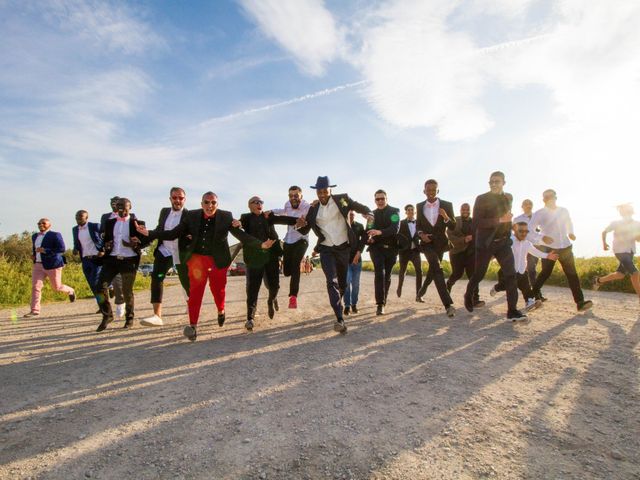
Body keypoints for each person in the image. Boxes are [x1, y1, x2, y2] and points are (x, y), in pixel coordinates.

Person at [136, 192, 272, 341]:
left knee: (217, 290)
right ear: (201, 204)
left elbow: (240, 235)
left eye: (213, 202)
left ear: (217, 204)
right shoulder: (192, 216)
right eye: (206, 202)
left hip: (217, 261)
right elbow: (173, 233)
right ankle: (192, 326)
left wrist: (260, 244)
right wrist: (149, 233)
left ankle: (221, 310)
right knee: (195, 293)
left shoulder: (225, 216)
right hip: (197, 260)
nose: (210, 206)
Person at [297, 176, 372, 333]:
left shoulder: (342, 200)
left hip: (343, 247)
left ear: (330, 190)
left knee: (342, 284)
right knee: (331, 281)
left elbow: (357, 206)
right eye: (319, 191)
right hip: (326, 249)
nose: (322, 194)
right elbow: (305, 229)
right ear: (316, 192)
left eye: (325, 190)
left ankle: (341, 304)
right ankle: (339, 318)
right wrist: (299, 225)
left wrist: (368, 212)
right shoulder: (312, 210)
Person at [464, 171, 528, 322]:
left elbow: (506, 218)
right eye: (491, 181)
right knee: (479, 274)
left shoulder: (508, 197)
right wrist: (499, 220)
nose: (494, 184)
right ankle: (468, 294)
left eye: (497, 181)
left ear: (504, 183)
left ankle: (512, 311)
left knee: (511, 275)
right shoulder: (481, 199)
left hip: (503, 243)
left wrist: (511, 227)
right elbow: (477, 222)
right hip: (485, 243)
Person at [240, 195, 299, 330]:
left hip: (271, 257)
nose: (258, 204)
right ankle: (250, 318)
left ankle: (271, 300)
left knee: (274, 286)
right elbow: (237, 225)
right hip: (254, 259)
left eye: (261, 202)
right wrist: (236, 223)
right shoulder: (246, 218)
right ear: (249, 205)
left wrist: (298, 220)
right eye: (255, 202)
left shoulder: (268, 216)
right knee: (252, 289)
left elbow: (283, 219)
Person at [530, 189, 593, 312]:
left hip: (566, 247)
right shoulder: (539, 213)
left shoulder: (563, 210)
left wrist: (571, 232)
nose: (549, 199)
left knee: (572, 275)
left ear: (555, 197)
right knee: (546, 273)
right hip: (549, 248)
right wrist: (541, 237)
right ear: (543, 200)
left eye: (551, 196)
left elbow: (569, 222)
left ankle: (580, 302)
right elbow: (529, 229)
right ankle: (533, 293)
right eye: (546, 197)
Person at [140, 188, 190, 327]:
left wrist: (149, 233)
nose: (177, 200)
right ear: (170, 199)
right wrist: (144, 237)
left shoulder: (189, 215)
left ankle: (191, 306)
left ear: (184, 199)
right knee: (156, 278)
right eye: (175, 198)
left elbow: (176, 234)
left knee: (186, 282)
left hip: (181, 252)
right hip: (165, 251)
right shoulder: (164, 212)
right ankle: (157, 316)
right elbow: (159, 230)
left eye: (180, 198)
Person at [96, 198, 147, 332]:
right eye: (118, 206)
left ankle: (129, 318)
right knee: (99, 288)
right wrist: (107, 245)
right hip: (111, 259)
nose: (120, 209)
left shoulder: (137, 223)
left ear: (130, 207)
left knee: (127, 291)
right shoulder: (109, 223)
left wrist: (135, 244)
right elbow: (105, 240)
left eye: (123, 206)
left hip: (129, 260)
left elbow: (146, 241)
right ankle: (107, 315)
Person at [490, 221, 559, 311]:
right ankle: (496, 288)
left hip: (522, 271)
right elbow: (498, 250)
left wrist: (547, 256)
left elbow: (535, 251)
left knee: (526, 287)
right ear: (515, 230)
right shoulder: (509, 241)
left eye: (526, 231)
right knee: (504, 286)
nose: (524, 233)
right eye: (521, 231)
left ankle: (529, 302)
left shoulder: (527, 243)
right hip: (507, 271)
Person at [415, 179, 456, 317]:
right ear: (424, 191)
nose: (431, 192)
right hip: (426, 244)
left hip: (440, 243)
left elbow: (453, 226)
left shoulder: (447, 205)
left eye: (434, 190)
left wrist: (445, 217)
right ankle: (448, 305)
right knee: (437, 269)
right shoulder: (419, 206)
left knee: (433, 271)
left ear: (437, 190)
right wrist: (421, 234)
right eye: (428, 190)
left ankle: (420, 292)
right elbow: (418, 226)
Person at [24, 218, 75, 317]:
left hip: (53, 264)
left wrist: (45, 250)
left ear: (49, 225)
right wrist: (34, 255)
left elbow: (61, 249)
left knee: (57, 287)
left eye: (43, 223)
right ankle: (35, 310)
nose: (41, 225)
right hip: (38, 264)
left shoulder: (55, 235)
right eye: (39, 223)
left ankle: (71, 291)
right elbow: (34, 249)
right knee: (36, 287)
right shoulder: (35, 236)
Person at [270, 186, 310, 309]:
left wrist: (316, 203)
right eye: (291, 195)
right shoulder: (287, 204)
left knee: (296, 266)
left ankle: (293, 297)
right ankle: (289, 270)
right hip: (289, 240)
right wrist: (270, 211)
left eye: (296, 196)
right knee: (287, 272)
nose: (293, 198)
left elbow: (314, 217)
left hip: (302, 240)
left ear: (301, 196)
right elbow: (282, 211)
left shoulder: (307, 207)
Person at [592, 203, 640, 303]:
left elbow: (638, 239)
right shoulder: (616, 223)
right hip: (620, 251)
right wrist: (604, 244)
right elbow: (604, 232)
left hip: (630, 251)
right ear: (622, 213)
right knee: (635, 273)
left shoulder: (637, 224)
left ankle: (598, 280)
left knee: (620, 274)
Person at [366, 190, 400, 315]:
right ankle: (380, 304)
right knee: (379, 273)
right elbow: (368, 230)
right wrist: (370, 236)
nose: (380, 201)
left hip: (391, 249)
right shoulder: (372, 214)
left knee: (387, 276)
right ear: (374, 200)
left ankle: (383, 301)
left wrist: (379, 232)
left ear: (386, 199)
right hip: (376, 249)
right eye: (377, 199)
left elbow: (395, 228)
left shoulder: (394, 211)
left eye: (382, 198)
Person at [445, 203, 482, 306]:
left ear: (470, 210)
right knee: (457, 274)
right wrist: (464, 239)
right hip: (457, 252)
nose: (465, 211)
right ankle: (448, 286)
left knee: (473, 276)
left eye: (467, 209)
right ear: (460, 210)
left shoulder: (474, 222)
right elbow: (450, 235)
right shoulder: (455, 220)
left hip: (471, 253)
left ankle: (475, 299)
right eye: (463, 209)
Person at [100, 196, 125, 320]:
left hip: (124, 253)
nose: (114, 204)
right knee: (100, 283)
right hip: (109, 252)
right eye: (112, 202)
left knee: (118, 279)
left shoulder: (130, 216)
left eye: (116, 202)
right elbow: (101, 232)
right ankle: (105, 309)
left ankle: (120, 302)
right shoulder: (105, 217)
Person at [72, 210, 103, 307]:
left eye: (81, 216)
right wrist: (75, 249)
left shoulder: (94, 226)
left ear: (86, 217)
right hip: (85, 259)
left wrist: (103, 250)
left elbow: (106, 237)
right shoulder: (75, 229)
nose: (78, 218)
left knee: (95, 282)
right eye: (77, 216)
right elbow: (77, 242)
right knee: (92, 284)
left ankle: (103, 305)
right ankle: (101, 304)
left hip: (96, 258)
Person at [396, 204, 424, 302]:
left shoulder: (419, 223)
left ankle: (419, 295)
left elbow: (421, 235)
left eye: (412, 210)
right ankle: (399, 287)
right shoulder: (401, 223)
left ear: (415, 212)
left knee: (419, 272)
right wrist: (399, 247)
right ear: (406, 212)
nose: (410, 211)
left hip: (415, 251)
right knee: (402, 271)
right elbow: (397, 236)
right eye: (408, 210)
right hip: (404, 251)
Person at [344, 211, 366, 315]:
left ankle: (354, 305)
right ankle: (347, 305)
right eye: (349, 214)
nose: (351, 215)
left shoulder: (359, 226)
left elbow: (364, 239)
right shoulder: (342, 226)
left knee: (356, 284)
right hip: (345, 260)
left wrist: (359, 252)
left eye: (352, 214)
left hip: (357, 260)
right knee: (347, 283)